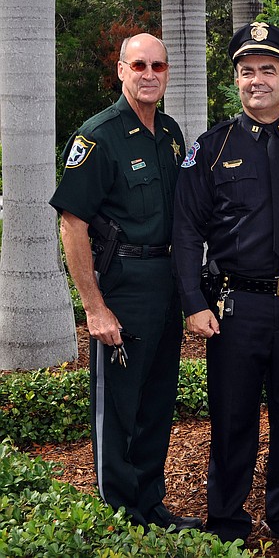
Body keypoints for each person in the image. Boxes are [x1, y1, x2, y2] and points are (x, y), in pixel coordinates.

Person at [171, 22, 279, 544]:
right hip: (238, 307)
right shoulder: (211, 147)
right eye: (246, 72)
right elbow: (186, 229)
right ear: (236, 81)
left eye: (268, 70)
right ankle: (227, 524)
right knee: (232, 419)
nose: (256, 80)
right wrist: (194, 303)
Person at [50, 33, 200, 531]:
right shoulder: (98, 136)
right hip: (122, 283)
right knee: (118, 407)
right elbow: (73, 224)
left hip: (166, 283)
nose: (149, 74)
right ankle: (117, 515)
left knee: (157, 402)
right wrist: (93, 307)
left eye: (158, 65)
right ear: (121, 70)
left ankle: (151, 508)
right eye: (139, 65)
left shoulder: (172, 133)